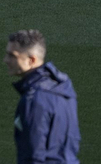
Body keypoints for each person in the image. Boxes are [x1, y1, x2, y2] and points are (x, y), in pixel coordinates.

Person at [6, 29, 81, 164]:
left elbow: (34, 155)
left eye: (12, 56)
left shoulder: (34, 99)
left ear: (31, 60)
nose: (6, 60)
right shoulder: (63, 88)